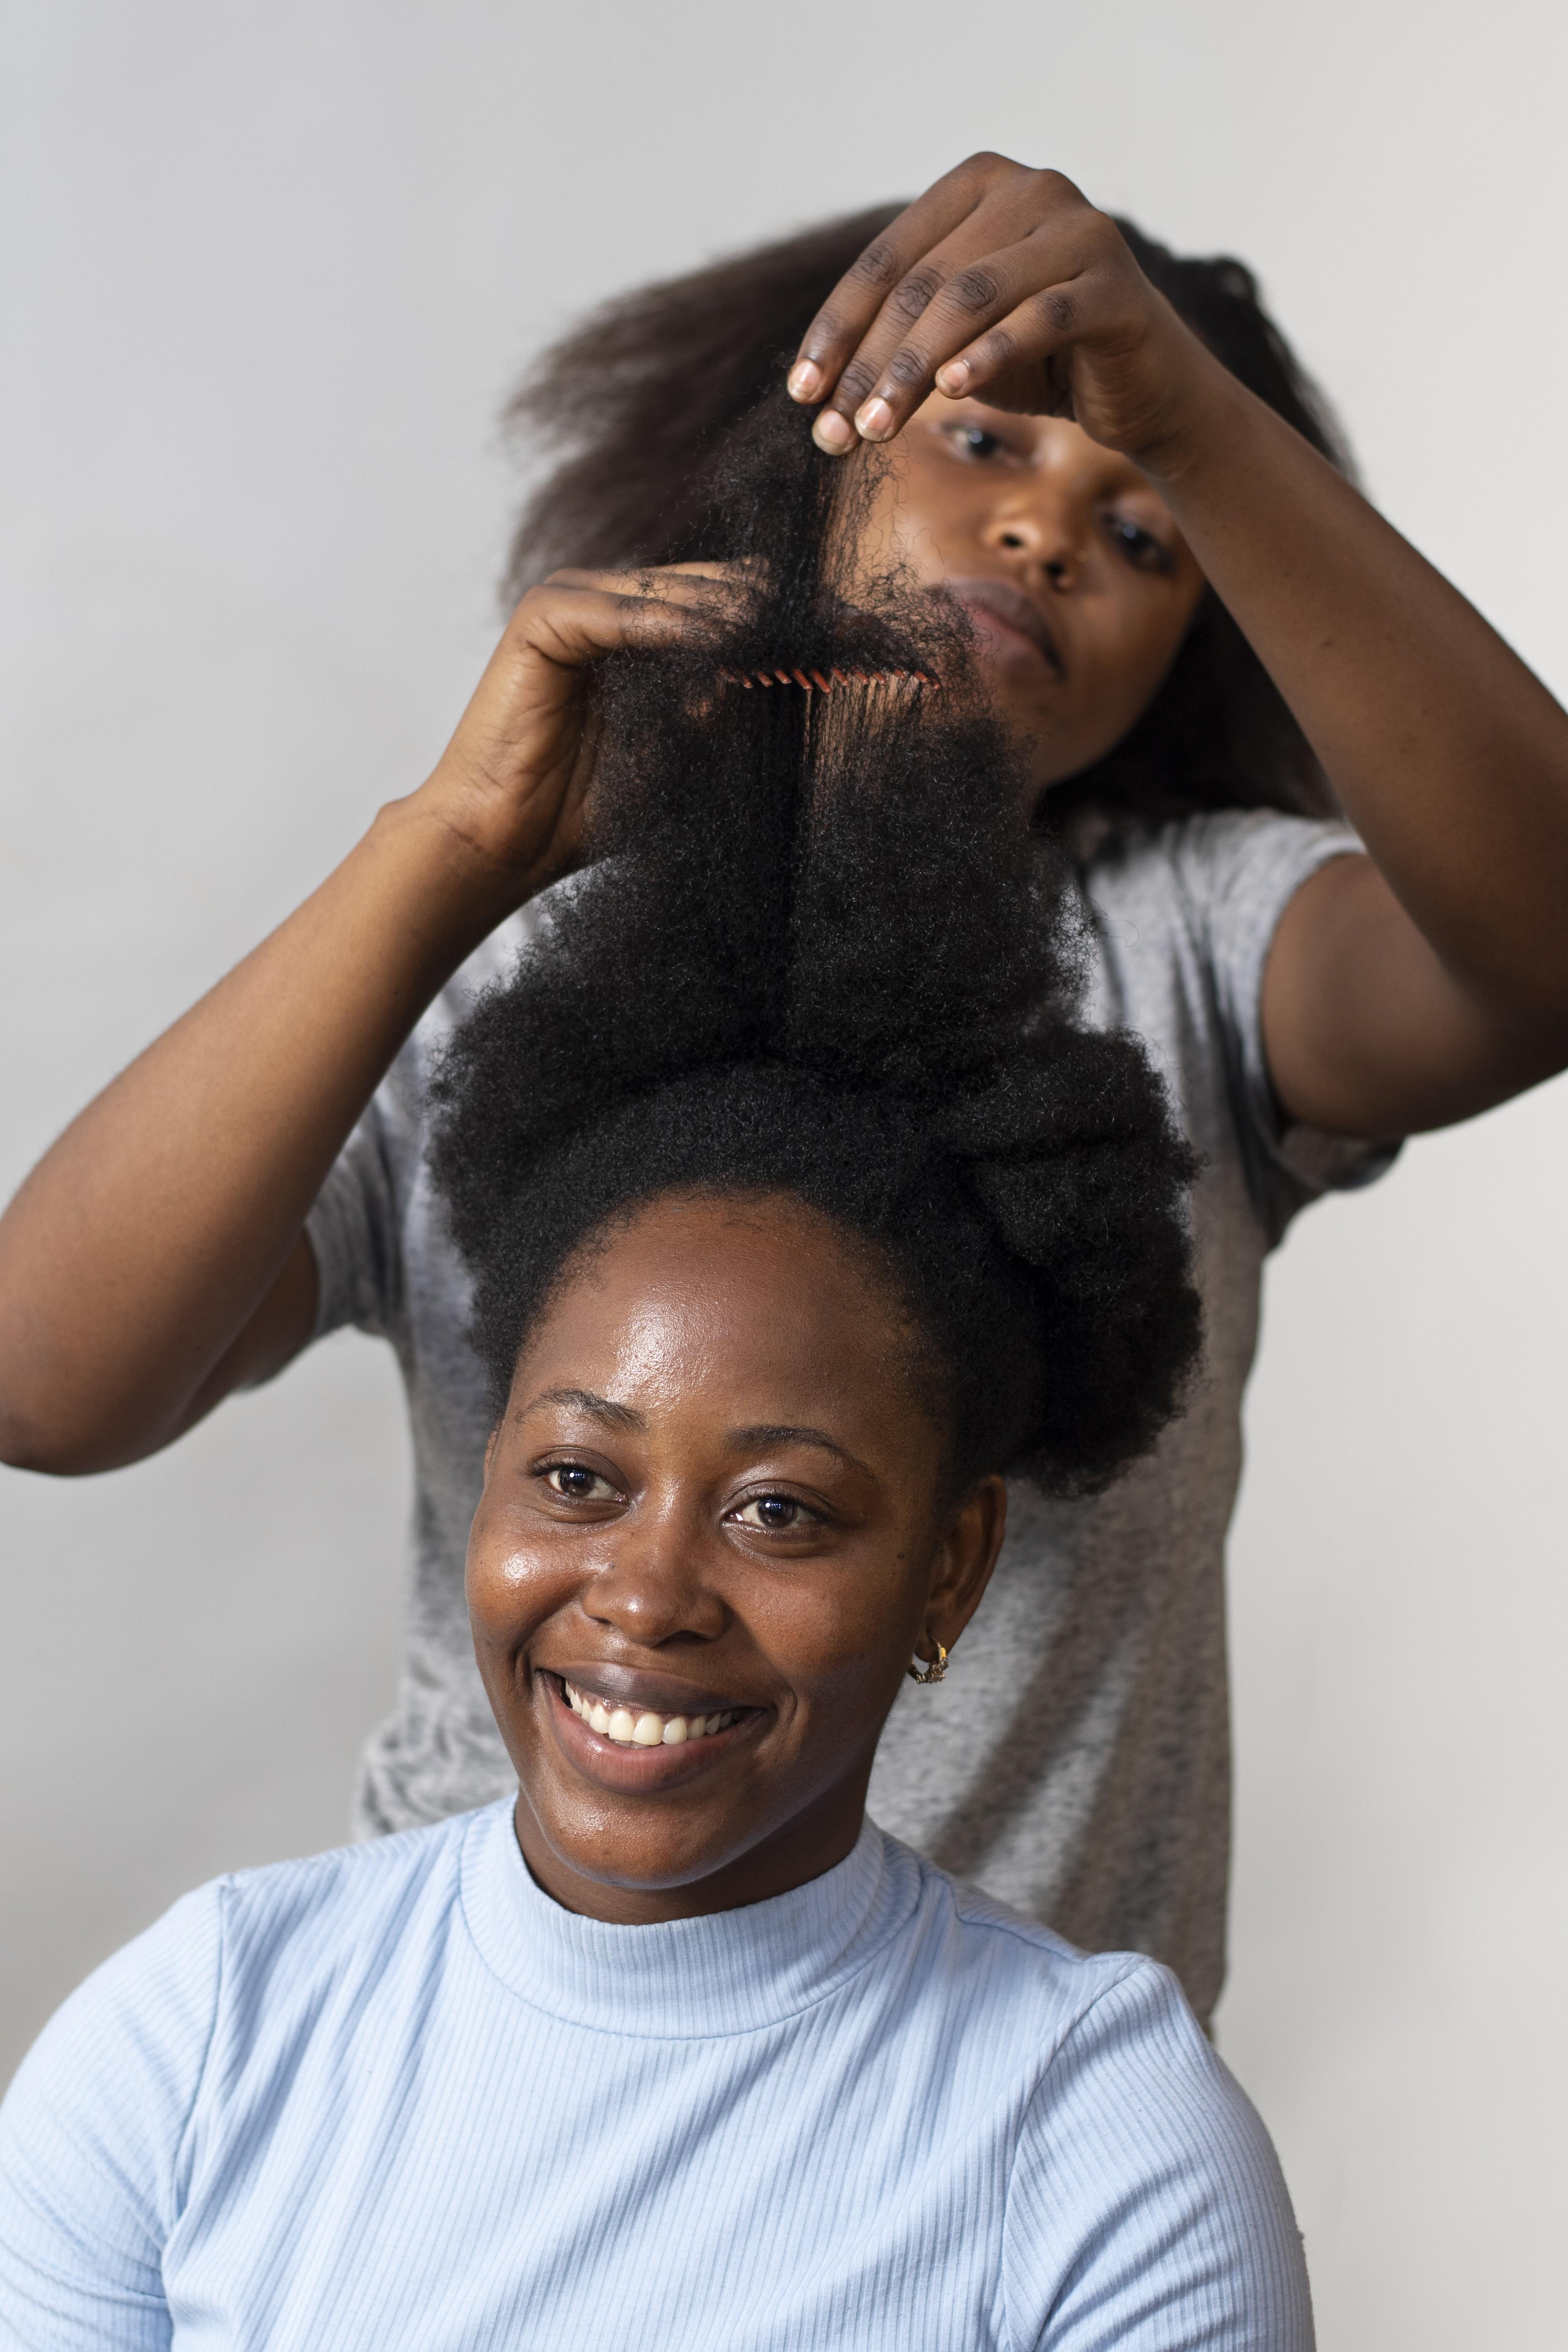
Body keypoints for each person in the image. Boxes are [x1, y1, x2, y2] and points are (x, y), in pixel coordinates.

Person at [4, 155, 1568, 2025]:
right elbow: (49, 1379)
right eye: (984, 438)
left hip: (1000, 2133)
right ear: (805, 444)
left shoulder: (1201, 949)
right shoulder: (496, 951)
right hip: (474, 2074)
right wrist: (445, 849)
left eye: (1146, 536)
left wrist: (1201, 426)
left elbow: (1538, 951)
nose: (1051, 536)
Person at [0, 488, 1311, 2348]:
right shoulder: (207, 2025)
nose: (647, 1591)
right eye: (574, 1476)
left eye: (780, 1509)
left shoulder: (1104, 2135)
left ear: (952, 1564)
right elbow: (39, 1371)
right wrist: (458, 836)